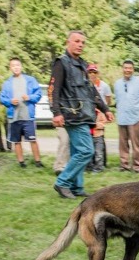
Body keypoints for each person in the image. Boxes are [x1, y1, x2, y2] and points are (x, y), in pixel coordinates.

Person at [49, 30, 114, 199]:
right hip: (72, 114)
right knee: (86, 151)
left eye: (82, 42)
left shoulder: (83, 65)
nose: (80, 45)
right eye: (76, 41)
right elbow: (53, 89)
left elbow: (91, 91)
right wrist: (56, 112)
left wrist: (105, 109)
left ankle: (77, 187)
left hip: (84, 115)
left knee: (78, 150)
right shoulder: (61, 63)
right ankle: (62, 182)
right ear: (68, 42)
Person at [0, 57, 44, 168]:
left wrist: (29, 97)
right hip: (14, 117)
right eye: (13, 65)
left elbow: (38, 94)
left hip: (28, 116)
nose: (16, 67)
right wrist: (10, 101)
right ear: (10, 68)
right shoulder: (7, 83)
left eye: (17, 65)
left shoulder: (30, 80)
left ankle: (38, 162)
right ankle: (21, 162)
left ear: (21, 66)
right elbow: (2, 98)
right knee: (16, 141)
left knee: (32, 140)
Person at [113, 60, 139, 172]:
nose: (127, 70)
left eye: (130, 68)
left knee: (136, 144)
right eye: (125, 68)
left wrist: (136, 107)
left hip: (134, 118)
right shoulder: (117, 83)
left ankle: (138, 165)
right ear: (122, 69)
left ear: (133, 69)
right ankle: (124, 165)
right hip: (121, 117)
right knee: (123, 144)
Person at [87, 63, 111, 170]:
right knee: (88, 140)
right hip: (88, 114)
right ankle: (90, 164)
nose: (92, 74)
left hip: (99, 114)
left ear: (97, 73)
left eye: (94, 72)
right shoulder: (85, 85)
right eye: (90, 72)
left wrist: (104, 110)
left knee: (99, 141)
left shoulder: (104, 86)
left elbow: (108, 100)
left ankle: (101, 164)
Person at [86, 109, 108, 173]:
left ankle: (98, 168)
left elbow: (104, 123)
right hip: (88, 136)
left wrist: (94, 124)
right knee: (89, 152)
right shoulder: (86, 111)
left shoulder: (100, 113)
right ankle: (89, 167)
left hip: (98, 136)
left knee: (98, 153)